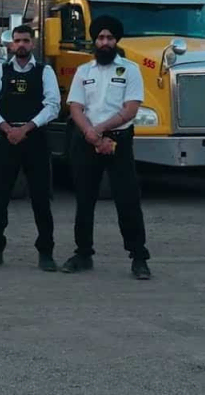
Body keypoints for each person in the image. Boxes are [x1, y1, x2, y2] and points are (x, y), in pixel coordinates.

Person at [62, 15, 151, 280]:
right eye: (100, 38)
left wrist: (99, 130)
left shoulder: (130, 70)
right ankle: (83, 254)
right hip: (87, 140)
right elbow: (75, 107)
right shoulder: (84, 71)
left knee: (127, 200)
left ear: (116, 40)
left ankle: (138, 258)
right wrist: (90, 133)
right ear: (94, 41)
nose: (104, 42)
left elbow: (131, 109)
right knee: (85, 200)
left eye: (109, 38)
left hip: (119, 141)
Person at [0, 23, 61, 271]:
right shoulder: (0, 72)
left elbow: (54, 105)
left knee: (40, 199)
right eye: (17, 41)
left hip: (35, 139)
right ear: (11, 44)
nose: (21, 45)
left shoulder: (45, 71)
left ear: (32, 43)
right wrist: (6, 128)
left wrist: (26, 129)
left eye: (26, 40)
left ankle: (45, 252)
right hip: (7, 139)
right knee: (0, 196)